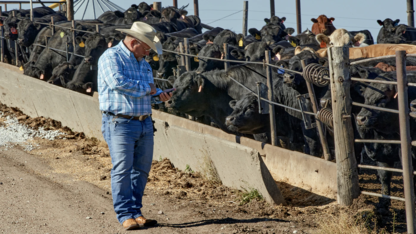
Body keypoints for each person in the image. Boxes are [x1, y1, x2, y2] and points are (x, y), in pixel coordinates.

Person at [97, 22, 173, 230]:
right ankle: (124, 215)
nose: (149, 51)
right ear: (134, 42)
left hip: (144, 122)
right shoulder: (111, 57)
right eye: (147, 47)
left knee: (141, 169)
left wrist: (159, 96)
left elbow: (147, 95)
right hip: (120, 122)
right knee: (122, 169)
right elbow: (117, 83)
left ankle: (135, 211)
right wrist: (148, 90)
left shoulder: (144, 64)